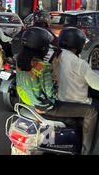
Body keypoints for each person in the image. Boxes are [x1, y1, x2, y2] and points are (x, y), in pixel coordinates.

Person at [16, 27, 98, 155]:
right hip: (52, 104)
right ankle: (86, 151)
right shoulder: (78, 64)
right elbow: (51, 93)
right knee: (92, 111)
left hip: (32, 103)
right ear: (78, 46)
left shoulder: (26, 60)